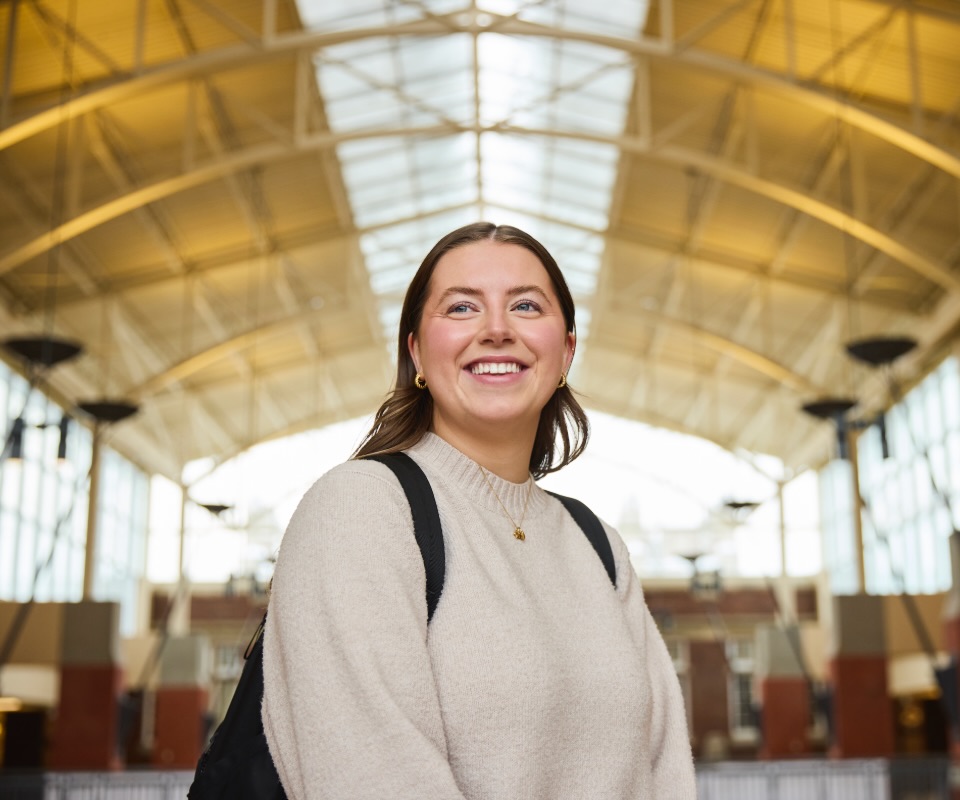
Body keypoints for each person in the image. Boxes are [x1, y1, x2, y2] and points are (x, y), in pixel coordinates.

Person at [261, 222, 696, 799]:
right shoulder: (361, 509)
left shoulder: (599, 546)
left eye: (525, 305)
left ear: (565, 350)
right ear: (416, 349)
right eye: (462, 307)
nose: (497, 330)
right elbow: (371, 779)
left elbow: (664, 772)